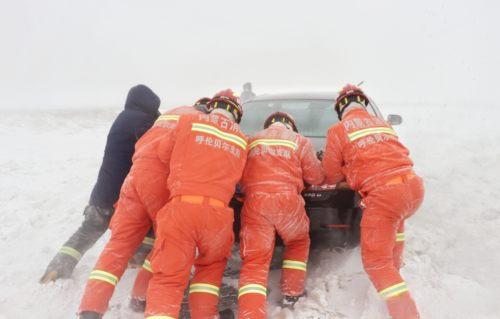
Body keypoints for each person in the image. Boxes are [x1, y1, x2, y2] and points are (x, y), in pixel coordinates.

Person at [77, 103, 205, 319]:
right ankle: (141, 296)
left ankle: (90, 309)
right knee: (169, 239)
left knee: (119, 244)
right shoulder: (197, 122)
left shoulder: (172, 113)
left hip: (134, 177)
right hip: (158, 179)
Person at [40, 84, 161, 283]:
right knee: (149, 222)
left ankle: (56, 270)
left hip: (100, 196)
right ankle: (138, 260)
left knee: (88, 230)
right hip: (120, 199)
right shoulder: (145, 122)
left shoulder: (122, 119)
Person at [322, 84, 424, 319]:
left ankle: (406, 314)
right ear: (364, 104)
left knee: (375, 262)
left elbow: (332, 173)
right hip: (412, 188)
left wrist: (348, 169)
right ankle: (394, 272)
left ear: (340, 110)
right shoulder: (382, 124)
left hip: (384, 195)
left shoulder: (339, 130)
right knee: (394, 230)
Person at [145, 90, 247, 319]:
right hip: (219, 216)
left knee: (168, 278)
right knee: (209, 273)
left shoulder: (188, 120)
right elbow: (242, 181)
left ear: (212, 106)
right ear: (236, 115)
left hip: (182, 209)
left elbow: (163, 154)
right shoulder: (242, 138)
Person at [237, 112, 324, 318]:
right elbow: (316, 177)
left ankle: (251, 313)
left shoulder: (251, 141)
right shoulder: (299, 141)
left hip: (256, 203)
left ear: (267, 126)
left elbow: (238, 180)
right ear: (291, 127)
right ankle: (291, 293)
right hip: (288, 202)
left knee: (255, 260)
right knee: (297, 241)